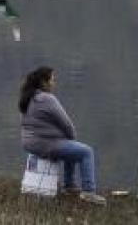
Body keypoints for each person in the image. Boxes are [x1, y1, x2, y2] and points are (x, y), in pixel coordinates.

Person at [19, 66, 106, 205]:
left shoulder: (28, 98)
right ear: (44, 82)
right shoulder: (47, 99)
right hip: (45, 144)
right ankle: (88, 192)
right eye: (52, 80)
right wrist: (72, 137)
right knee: (85, 152)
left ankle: (69, 185)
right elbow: (66, 124)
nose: (54, 83)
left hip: (30, 143)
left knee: (69, 146)